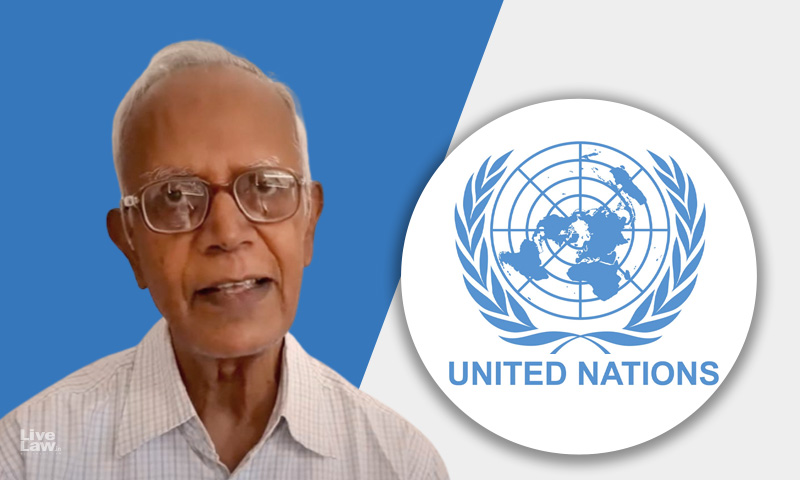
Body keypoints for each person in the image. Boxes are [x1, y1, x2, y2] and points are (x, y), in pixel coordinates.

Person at [0, 40, 447, 480]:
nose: (228, 234)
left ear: (309, 225)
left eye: (265, 186)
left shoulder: (399, 464)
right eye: (175, 196)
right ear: (130, 244)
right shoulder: (30, 453)